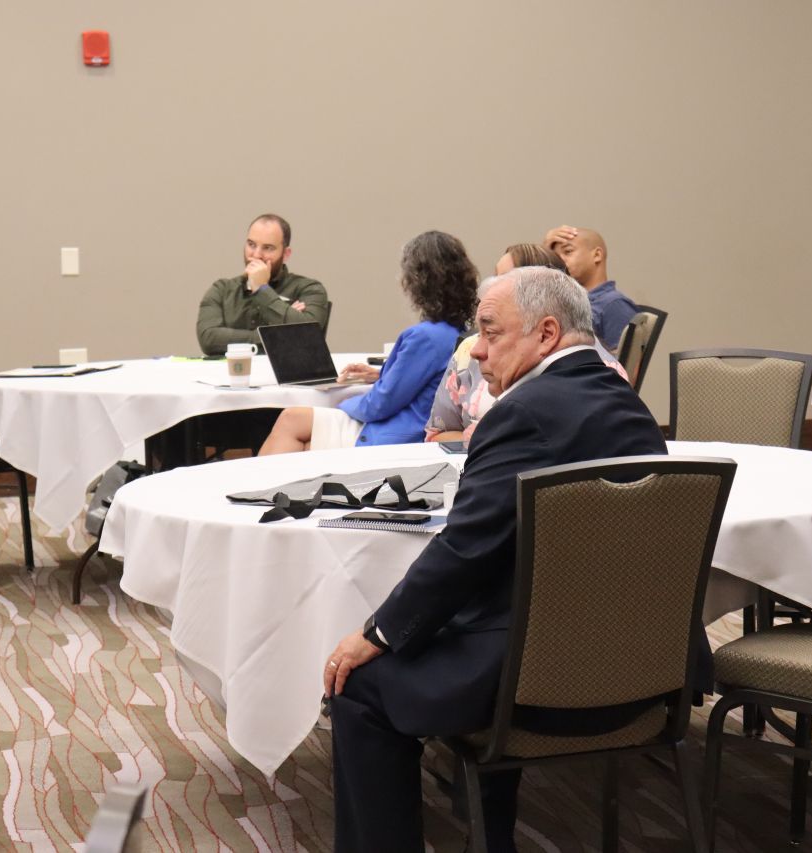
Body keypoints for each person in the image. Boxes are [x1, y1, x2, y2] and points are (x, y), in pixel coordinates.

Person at [323, 267, 668, 852]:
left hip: (542, 679)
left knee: (358, 683)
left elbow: (464, 549)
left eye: (490, 331)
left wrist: (377, 633)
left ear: (547, 333)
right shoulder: (627, 404)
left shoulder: (522, 413)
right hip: (643, 669)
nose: (477, 350)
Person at [258, 231, 476, 453]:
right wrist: (382, 375)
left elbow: (379, 404)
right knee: (299, 433)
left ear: (417, 281)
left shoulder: (425, 337)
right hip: (411, 430)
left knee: (291, 420)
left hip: (394, 434)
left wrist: (339, 404)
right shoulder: (458, 333)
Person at [425, 243, 627, 443]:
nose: (490, 290)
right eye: (494, 278)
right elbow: (437, 434)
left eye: (506, 281)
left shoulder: (601, 374)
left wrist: (490, 437)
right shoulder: (468, 351)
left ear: (546, 332)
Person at [196, 213, 329, 356]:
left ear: (285, 254)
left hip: (285, 370)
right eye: (251, 245)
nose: (256, 255)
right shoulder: (221, 290)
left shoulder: (309, 289)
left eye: (268, 248)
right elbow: (208, 340)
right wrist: (279, 333)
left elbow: (306, 336)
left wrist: (261, 289)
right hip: (234, 370)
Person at [544, 224, 638, 351]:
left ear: (597, 255)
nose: (559, 260)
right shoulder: (566, 302)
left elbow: (625, 361)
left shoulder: (614, 304)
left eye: (568, 251)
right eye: (555, 255)